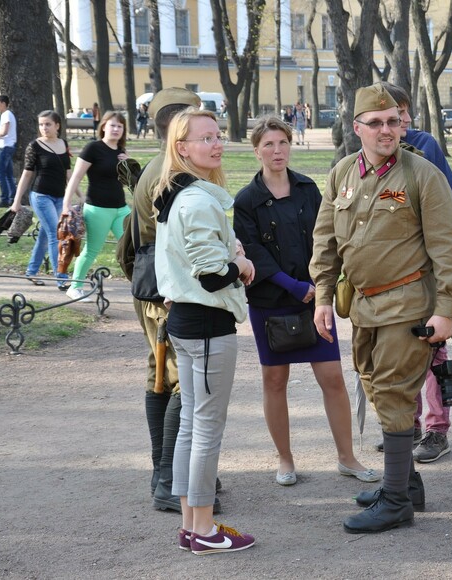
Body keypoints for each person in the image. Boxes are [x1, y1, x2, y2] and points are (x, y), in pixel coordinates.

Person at [309, 83, 452, 534]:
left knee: (396, 393)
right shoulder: (342, 173)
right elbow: (325, 240)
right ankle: (406, 482)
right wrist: (323, 295)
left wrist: (447, 309)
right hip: (361, 306)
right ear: (356, 127)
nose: (386, 130)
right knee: (377, 389)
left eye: (393, 122)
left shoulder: (421, 175)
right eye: (375, 123)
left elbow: (451, 247)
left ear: (403, 124)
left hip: (408, 305)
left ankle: (396, 501)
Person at [233, 115, 377, 487]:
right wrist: (294, 287)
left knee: (332, 377)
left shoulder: (308, 189)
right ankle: (285, 458)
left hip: (315, 298)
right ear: (256, 151)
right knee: (275, 381)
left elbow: (325, 236)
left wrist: (320, 285)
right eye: (268, 144)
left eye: (282, 143)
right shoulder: (247, 200)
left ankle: (347, 457)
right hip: (270, 300)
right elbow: (253, 253)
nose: (277, 151)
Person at [154, 107, 256, 554]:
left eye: (218, 135)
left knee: (194, 428)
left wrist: (230, 253)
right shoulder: (195, 200)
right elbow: (213, 276)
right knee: (205, 429)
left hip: (189, 322)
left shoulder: (183, 194)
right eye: (205, 138)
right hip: (206, 325)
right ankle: (203, 530)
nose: (217, 144)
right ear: (182, 148)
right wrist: (242, 263)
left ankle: (193, 525)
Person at [119, 88, 223, 514]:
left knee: (161, 375)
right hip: (170, 292)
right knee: (182, 380)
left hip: (157, 287)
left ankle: (168, 474)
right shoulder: (172, 173)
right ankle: (170, 480)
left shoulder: (167, 166)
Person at [374, 80, 452, 464]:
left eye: (397, 118)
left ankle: (436, 429)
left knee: (431, 347)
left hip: (424, 270)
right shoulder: (369, 157)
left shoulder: (423, 146)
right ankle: (408, 425)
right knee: (399, 351)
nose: (391, 127)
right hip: (390, 276)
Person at [61, 111, 131, 301]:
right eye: (112, 125)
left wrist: (130, 165)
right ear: (103, 126)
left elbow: (130, 181)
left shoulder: (121, 151)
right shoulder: (93, 148)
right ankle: (75, 287)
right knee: (92, 250)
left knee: (133, 247)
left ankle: (141, 285)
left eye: (120, 126)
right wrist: (66, 204)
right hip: (98, 208)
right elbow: (76, 177)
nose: (116, 129)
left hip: (121, 208)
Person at [8, 110, 71, 289]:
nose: (44, 128)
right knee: (55, 234)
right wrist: (16, 200)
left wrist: (79, 194)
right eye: (41, 124)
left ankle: (32, 271)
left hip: (60, 197)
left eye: (48, 124)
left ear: (57, 125)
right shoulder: (34, 146)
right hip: (41, 196)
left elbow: (68, 173)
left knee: (45, 235)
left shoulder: (63, 144)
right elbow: (27, 175)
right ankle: (61, 277)